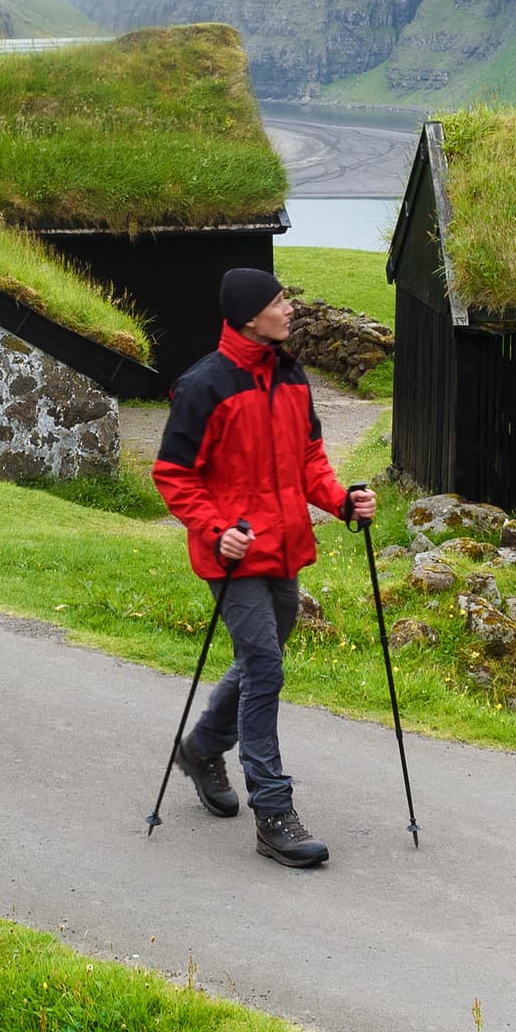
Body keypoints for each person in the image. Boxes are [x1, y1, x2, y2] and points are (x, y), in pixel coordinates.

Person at [151, 265, 374, 868]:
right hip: (235, 555)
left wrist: (342, 502)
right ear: (251, 315)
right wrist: (217, 530)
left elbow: (309, 461)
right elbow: (173, 474)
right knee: (265, 669)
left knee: (260, 660)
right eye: (280, 302)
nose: (290, 309)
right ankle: (273, 811)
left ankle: (201, 747)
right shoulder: (205, 385)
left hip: (286, 547)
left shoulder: (292, 377)